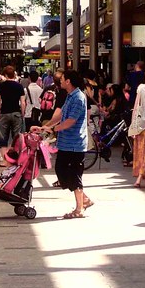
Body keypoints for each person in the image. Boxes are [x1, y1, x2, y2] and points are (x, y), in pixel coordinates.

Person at [34, 70, 89, 219]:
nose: (60, 81)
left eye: (63, 79)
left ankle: (80, 208)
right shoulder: (70, 96)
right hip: (65, 143)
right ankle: (84, 199)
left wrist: (53, 129)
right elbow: (61, 116)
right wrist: (46, 126)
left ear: (68, 81)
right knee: (61, 171)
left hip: (75, 143)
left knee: (74, 174)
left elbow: (71, 121)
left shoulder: (78, 98)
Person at [0, 66, 25, 151]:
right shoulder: (19, 86)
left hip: (4, 112)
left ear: (5, 75)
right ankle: (16, 156)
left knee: (3, 138)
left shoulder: (1, 86)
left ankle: (4, 158)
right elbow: (23, 102)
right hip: (16, 112)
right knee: (17, 138)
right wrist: (22, 114)